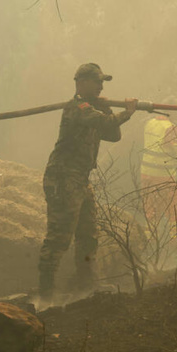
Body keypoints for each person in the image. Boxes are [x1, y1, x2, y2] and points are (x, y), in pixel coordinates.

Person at [38, 64, 137, 300]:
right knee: (59, 237)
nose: (101, 86)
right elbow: (106, 124)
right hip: (63, 177)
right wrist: (127, 112)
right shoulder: (77, 108)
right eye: (97, 82)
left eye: (102, 82)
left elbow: (113, 134)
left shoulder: (93, 111)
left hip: (81, 179)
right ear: (81, 83)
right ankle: (45, 293)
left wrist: (108, 108)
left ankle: (86, 286)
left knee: (88, 235)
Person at [140, 113, 177, 251]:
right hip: (164, 177)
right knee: (174, 211)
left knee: (150, 211)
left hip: (146, 174)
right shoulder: (170, 128)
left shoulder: (150, 123)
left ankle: (149, 244)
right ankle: (176, 244)